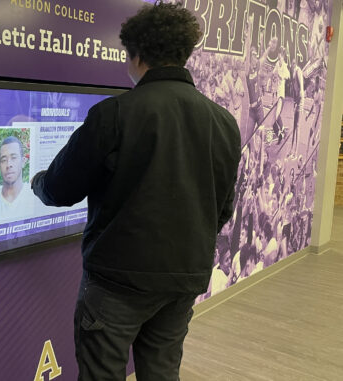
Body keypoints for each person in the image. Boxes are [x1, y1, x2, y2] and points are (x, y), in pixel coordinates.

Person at [31, 2, 241, 379]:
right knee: (161, 372)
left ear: (137, 55)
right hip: (183, 280)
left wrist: (37, 182)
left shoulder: (114, 114)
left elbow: (61, 189)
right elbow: (223, 209)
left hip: (116, 283)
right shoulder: (224, 122)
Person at [0, 135, 35, 222]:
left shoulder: (34, 194)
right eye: (4, 160)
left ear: (23, 162)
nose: (9, 165)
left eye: (14, 157)